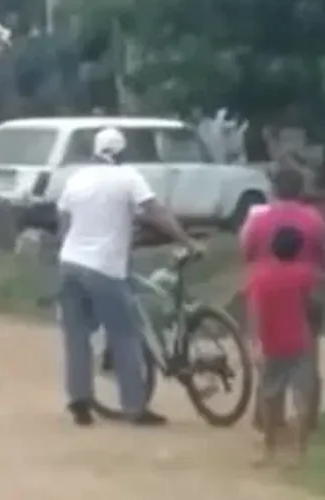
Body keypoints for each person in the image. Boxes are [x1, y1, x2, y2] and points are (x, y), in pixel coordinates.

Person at [56, 127, 202, 426]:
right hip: (105, 268)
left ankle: (79, 402)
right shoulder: (128, 177)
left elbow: (65, 222)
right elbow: (155, 211)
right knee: (124, 335)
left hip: (70, 263)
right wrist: (186, 240)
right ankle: (135, 407)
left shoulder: (76, 178)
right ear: (123, 151)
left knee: (77, 336)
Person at [245, 226, 319, 467]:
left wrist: (255, 342)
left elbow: (254, 311)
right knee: (301, 397)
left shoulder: (258, 276)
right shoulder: (304, 275)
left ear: (272, 247)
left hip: (271, 343)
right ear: (298, 250)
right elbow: (309, 305)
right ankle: (301, 452)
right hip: (299, 342)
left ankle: (270, 449)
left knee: (270, 396)